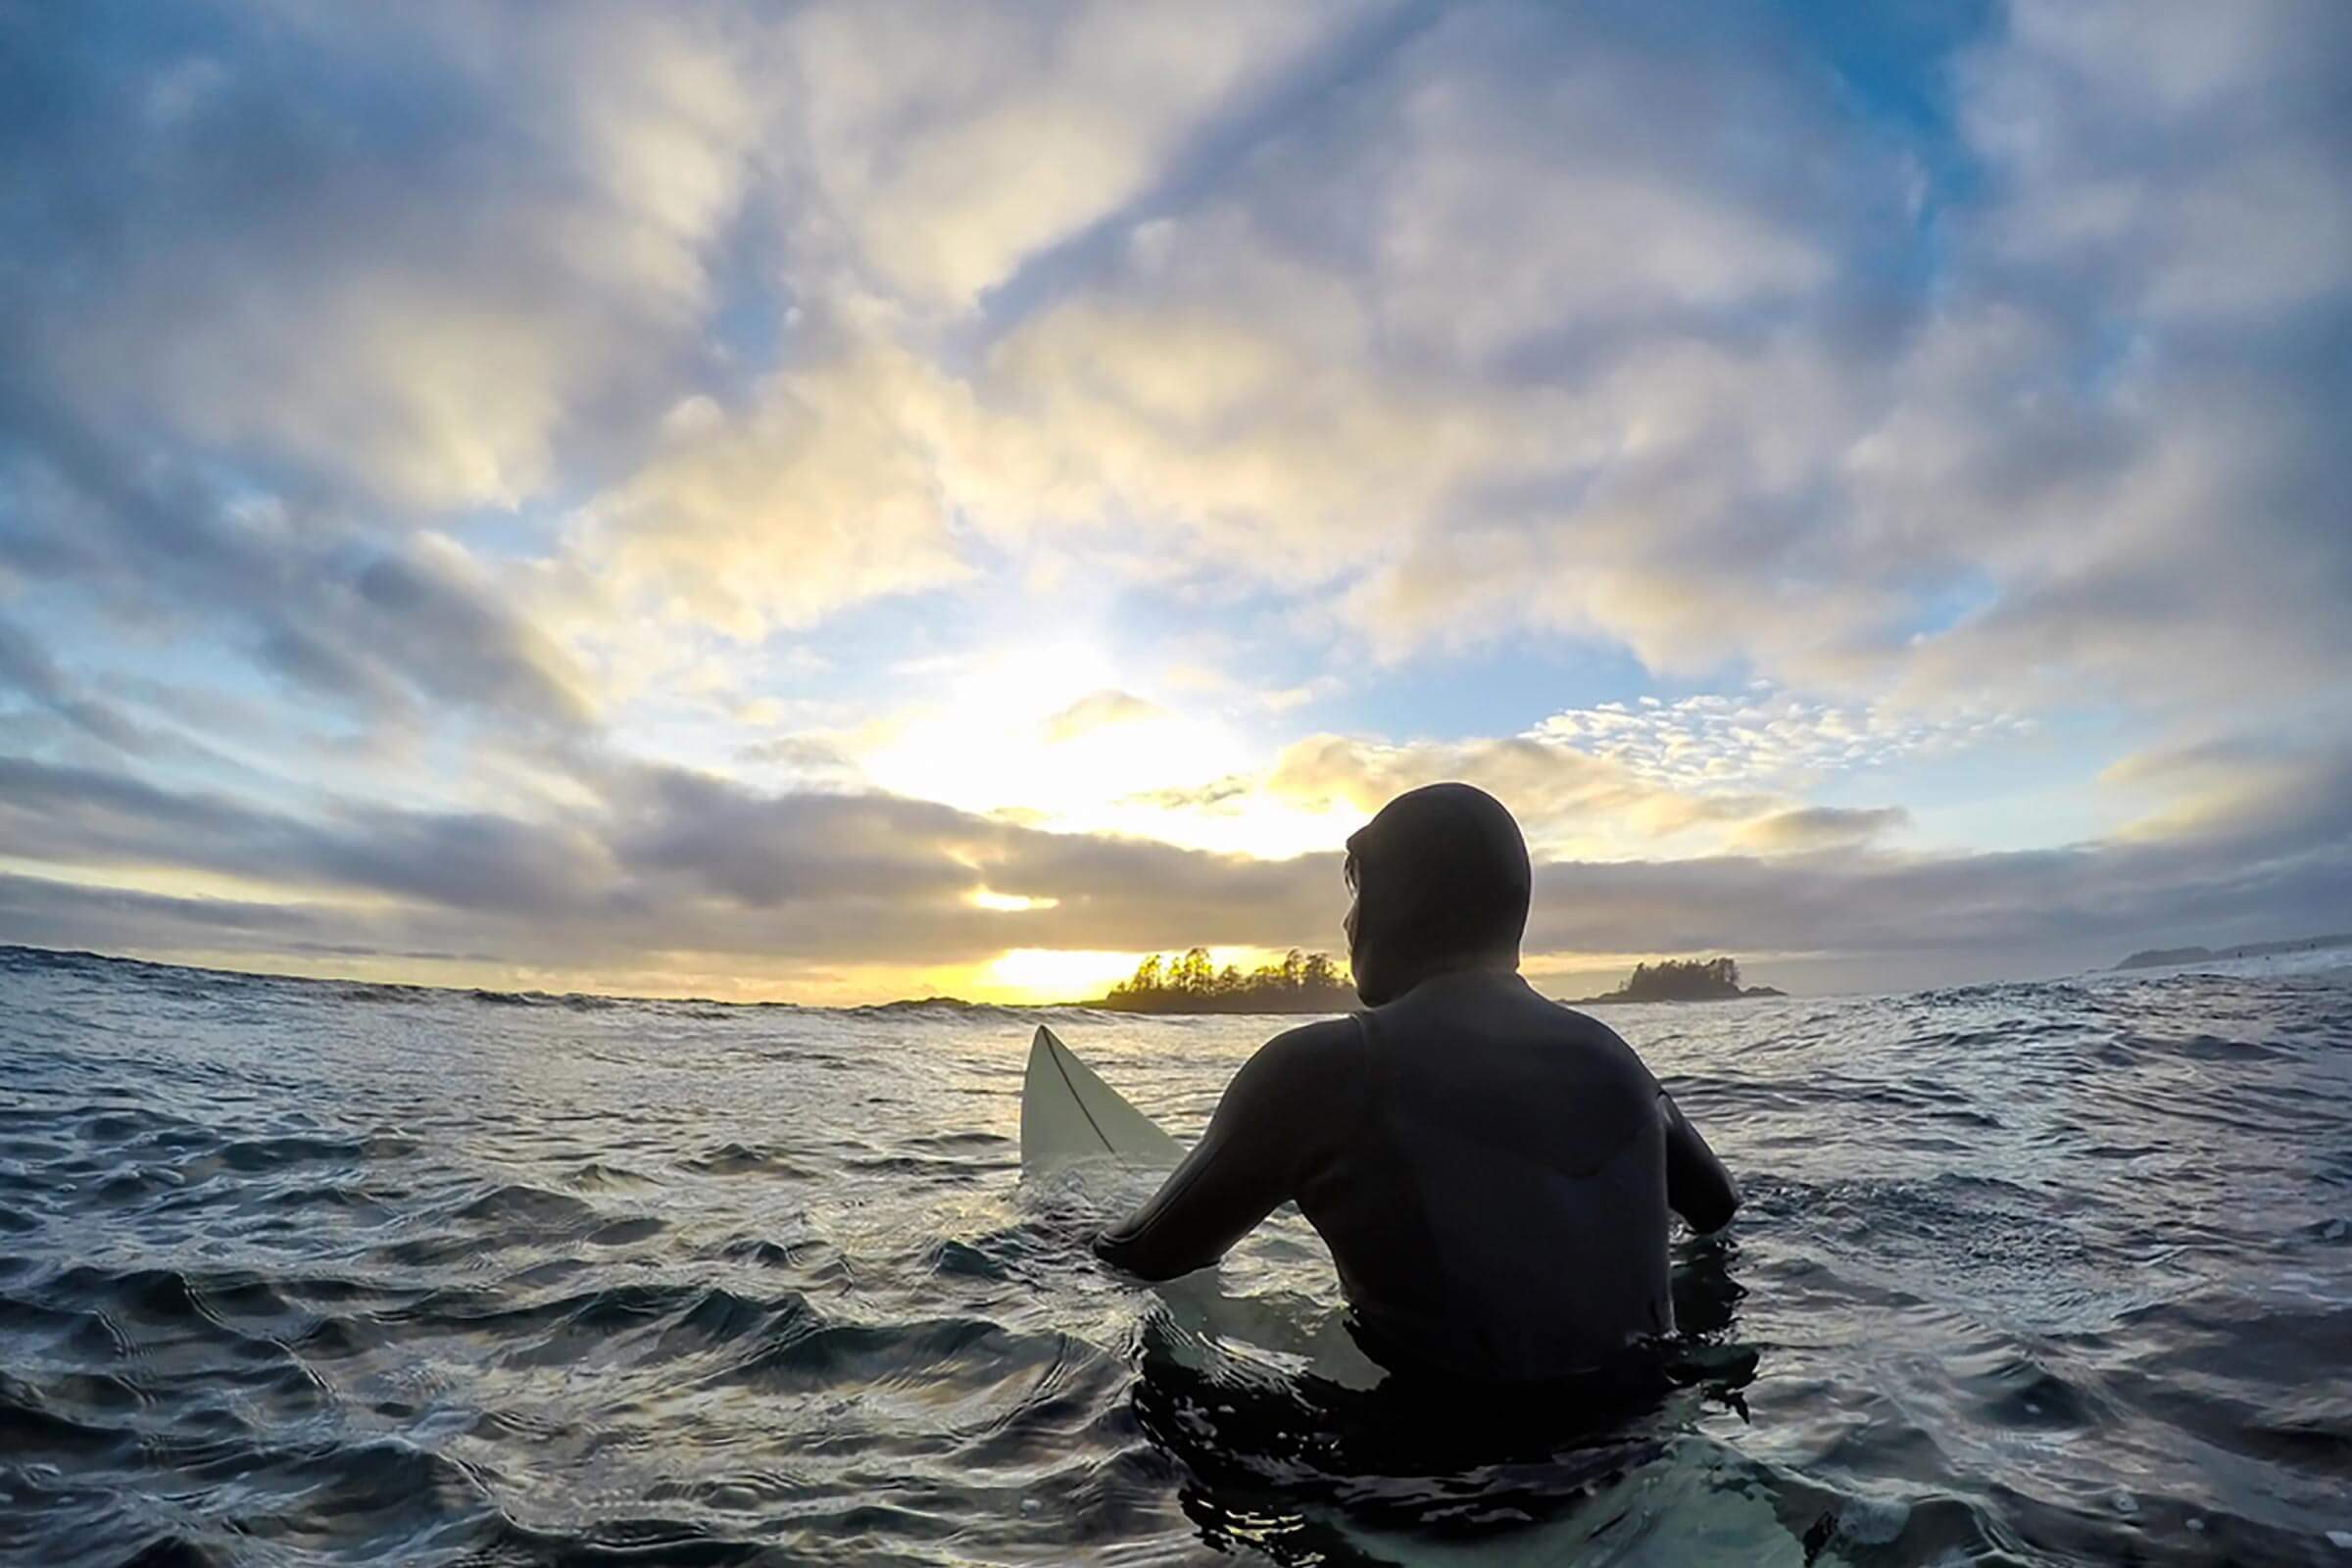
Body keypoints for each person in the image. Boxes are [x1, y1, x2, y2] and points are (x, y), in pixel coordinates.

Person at [1095, 781, 1739, 1384]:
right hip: (1642, 1442)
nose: (1347, 926)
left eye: (1357, 894)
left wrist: (1056, 1225)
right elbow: (1717, 1212)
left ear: (1395, 902)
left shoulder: (1324, 1069)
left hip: (1426, 1483)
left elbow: (1146, 1258)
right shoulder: (1623, 1068)